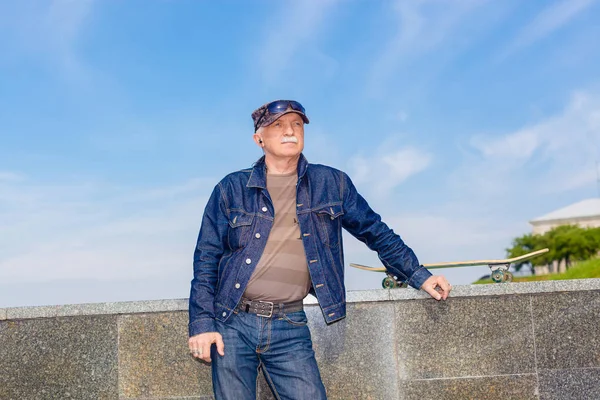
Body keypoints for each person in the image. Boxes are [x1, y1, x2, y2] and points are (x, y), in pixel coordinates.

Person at [188, 99, 451, 400]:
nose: (290, 132)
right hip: (232, 321)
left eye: (296, 125)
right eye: (278, 126)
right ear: (258, 138)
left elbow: (375, 231)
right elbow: (206, 258)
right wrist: (201, 323)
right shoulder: (230, 188)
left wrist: (419, 275)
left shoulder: (332, 183)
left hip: (289, 323)